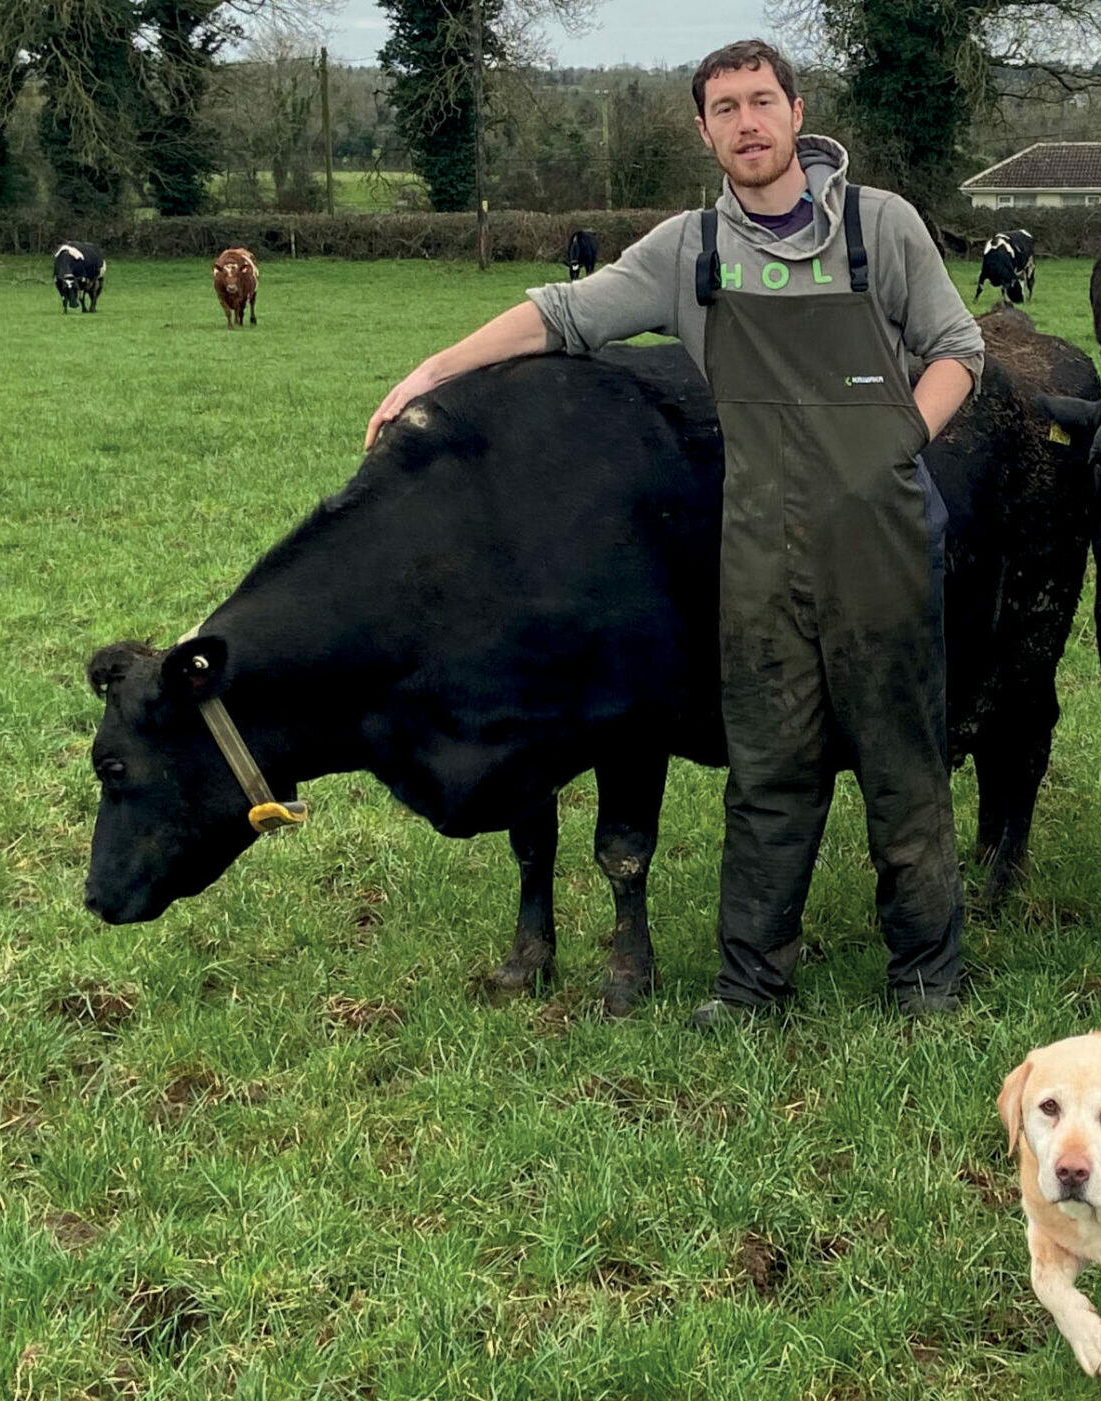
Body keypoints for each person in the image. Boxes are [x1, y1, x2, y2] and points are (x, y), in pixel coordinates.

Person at [364, 39, 983, 1023]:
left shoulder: (881, 227)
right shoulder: (690, 250)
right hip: (759, 555)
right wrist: (433, 372)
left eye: (761, 101)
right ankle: (750, 990)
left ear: (797, 111)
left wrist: (899, 442)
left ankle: (927, 983)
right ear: (704, 130)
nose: (747, 122)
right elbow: (561, 313)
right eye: (725, 108)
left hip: (883, 545)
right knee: (769, 778)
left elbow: (957, 347)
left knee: (903, 770)